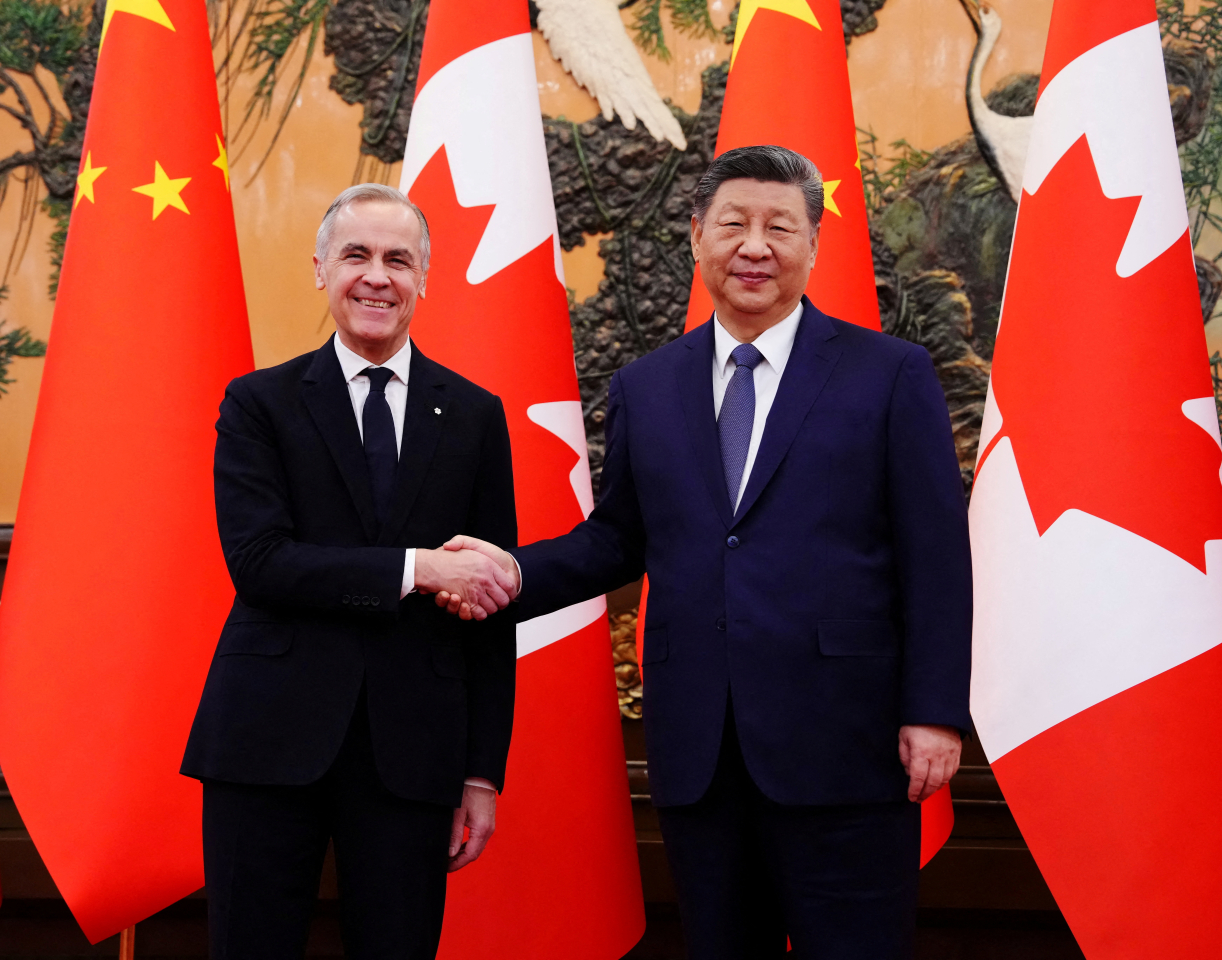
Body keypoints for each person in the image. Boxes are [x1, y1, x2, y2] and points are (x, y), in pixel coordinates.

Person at [440, 146, 973, 959]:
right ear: (697, 237)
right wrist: (510, 571)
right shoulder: (647, 386)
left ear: (813, 244)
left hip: (848, 745)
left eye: (779, 227)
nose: (754, 246)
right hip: (701, 748)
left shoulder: (889, 374)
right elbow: (619, 538)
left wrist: (933, 711)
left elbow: (935, 554)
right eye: (733, 225)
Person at [180, 183, 520, 960]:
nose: (376, 276)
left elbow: (489, 599)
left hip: (414, 748)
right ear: (320, 269)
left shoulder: (475, 415)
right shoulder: (259, 403)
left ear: (423, 278)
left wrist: (481, 772)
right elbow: (260, 563)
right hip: (267, 739)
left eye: (398, 260)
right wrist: (416, 569)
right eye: (355, 255)